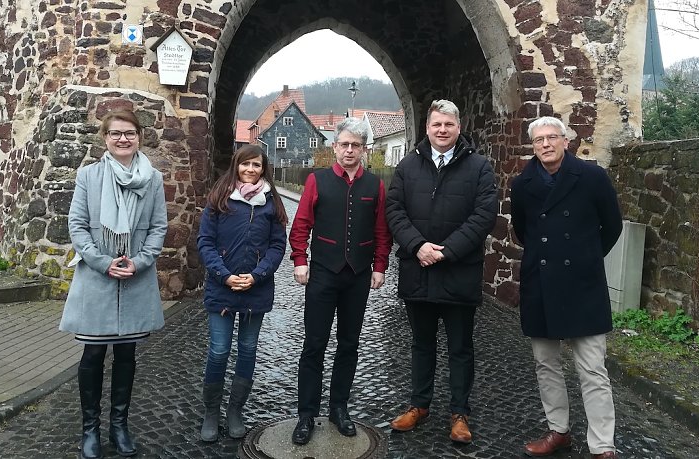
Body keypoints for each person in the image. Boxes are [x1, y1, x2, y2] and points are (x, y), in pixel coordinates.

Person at [385, 99, 497, 444]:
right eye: (437, 125)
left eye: (448, 124)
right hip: (417, 270)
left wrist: (446, 252)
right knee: (421, 345)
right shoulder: (407, 167)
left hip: (458, 272)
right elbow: (394, 210)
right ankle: (419, 405)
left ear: (458, 127)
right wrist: (418, 246)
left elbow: (483, 216)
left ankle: (459, 413)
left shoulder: (479, 167)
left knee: (461, 347)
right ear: (428, 128)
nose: (442, 130)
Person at [510, 116, 622, 459]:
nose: (545, 144)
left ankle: (602, 445)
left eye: (551, 137)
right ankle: (558, 431)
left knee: (592, 369)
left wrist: (585, 257)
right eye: (538, 140)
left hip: (583, 285)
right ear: (533, 146)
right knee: (546, 364)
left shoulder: (592, 177)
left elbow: (612, 226)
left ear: (565, 140)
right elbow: (521, 231)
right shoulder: (523, 183)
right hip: (540, 285)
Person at [60, 109, 168, 459]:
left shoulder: (153, 179)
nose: (123, 139)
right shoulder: (89, 176)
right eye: (115, 133)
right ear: (104, 139)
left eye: (130, 133)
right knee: (93, 353)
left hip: (136, 277)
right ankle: (89, 430)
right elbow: (77, 226)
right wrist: (104, 263)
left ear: (139, 136)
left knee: (127, 354)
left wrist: (140, 261)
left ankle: (119, 426)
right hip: (97, 277)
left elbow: (157, 228)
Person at [288, 117, 392, 445]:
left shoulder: (375, 185)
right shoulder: (316, 181)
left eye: (355, 146)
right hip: (322, 275)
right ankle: (306, 414)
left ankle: (339, 408)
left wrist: (379, 266)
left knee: (349, 345)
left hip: (358, 276)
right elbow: (301, 224)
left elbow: (381, 231)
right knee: (314, 345)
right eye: (344, 144)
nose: (349, 150)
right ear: (335, 147)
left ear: (364, 150)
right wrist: (300, 260)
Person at [196, 145, 288, 442]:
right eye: (246, 164)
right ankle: (211, 412)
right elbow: (205, 242)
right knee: (219, 349)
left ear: (264, 169)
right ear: (236, 165)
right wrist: (224, 276)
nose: (251, 169)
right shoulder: (219, 199)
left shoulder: (272, 203)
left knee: (247, 349)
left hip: (255, 289)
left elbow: (277, 246)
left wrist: (258, 275)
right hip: (222, 288)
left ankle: (235, 411)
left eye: (257, 165)